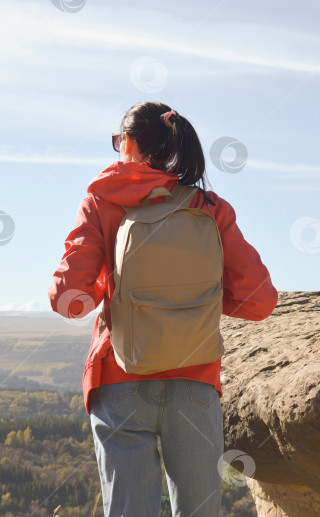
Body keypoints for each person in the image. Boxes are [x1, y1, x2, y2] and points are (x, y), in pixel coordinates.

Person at [48, 101, 277, 517]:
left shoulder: (100, 201)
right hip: (195, 379)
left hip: (120, 375)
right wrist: (196, 298)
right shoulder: (209, 207)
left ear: (129, 143)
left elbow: (69, 299)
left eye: (119, 141)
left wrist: (111, 287)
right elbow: (260, 302)